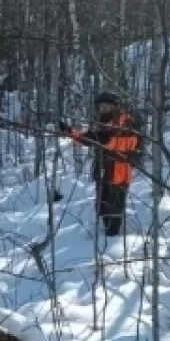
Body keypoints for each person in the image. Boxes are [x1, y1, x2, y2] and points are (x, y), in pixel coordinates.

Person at [58, 93, 141, 237]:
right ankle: (106, 232)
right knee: (101, 204)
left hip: (119, 171)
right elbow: (89, 138)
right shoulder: (101, 124)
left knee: (114, 205)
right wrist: (70, 132)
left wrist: (107, 141)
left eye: (107, 105)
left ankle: (112, 238)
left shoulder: (125, 121)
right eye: (101, 106)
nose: (104, 109)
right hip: (103, 169)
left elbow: (131, 142)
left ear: (115, 106)